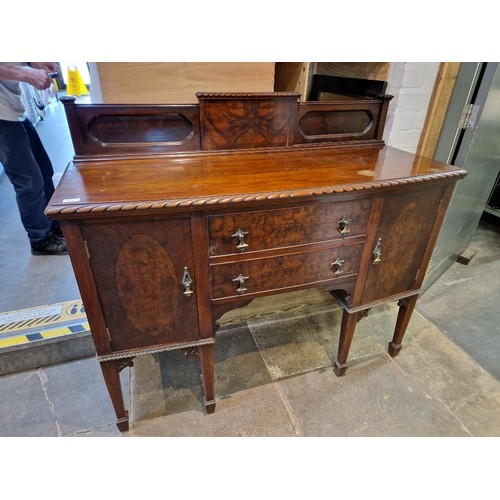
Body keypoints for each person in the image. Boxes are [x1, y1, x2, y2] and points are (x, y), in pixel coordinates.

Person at [0, 62, 67, 255]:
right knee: (29, 181)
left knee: (44, 170)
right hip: (2, 117)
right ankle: (40, 239)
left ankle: (53, 224)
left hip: (12, 110)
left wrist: (30, 62)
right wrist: (26, 72)